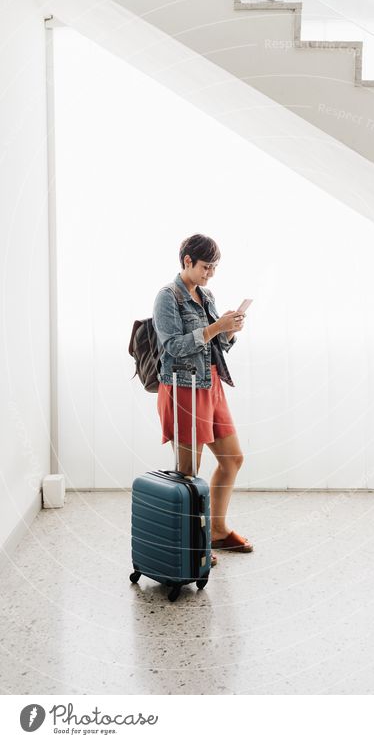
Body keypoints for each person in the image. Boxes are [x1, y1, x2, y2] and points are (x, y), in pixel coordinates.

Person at [152, 233, 253, 566]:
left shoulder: (205, 294)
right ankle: (189, 545)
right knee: (187, 474)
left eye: (214, 267)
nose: (211, 273)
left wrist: (229, 331)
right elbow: (173, 346)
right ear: (187, 262)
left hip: (210, 385)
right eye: (206, 267)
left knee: (232, 458)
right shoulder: (167, 297)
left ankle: (218, 532)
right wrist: (214, 328)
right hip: (183, 389)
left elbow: (214, 346)